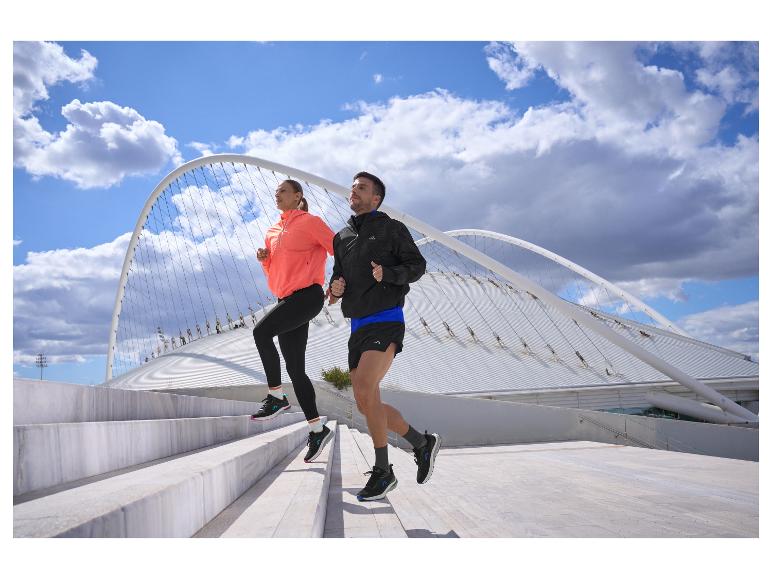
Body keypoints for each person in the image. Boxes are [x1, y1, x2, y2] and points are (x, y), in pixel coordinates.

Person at [328, 171, 441, 501]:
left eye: (361, 188)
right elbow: (339, 276)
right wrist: (335, 288)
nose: (355, 192)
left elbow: (417, 265)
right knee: (366, 404)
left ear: (376, 198)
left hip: (386, 319)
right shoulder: (342, 236)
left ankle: (383, 472)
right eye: (353, 187)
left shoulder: (391, 228)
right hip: (357, 325)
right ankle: (422, 443)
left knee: (364, 387)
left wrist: (388, 274)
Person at [251, 179, 336, 462]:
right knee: (296, 370)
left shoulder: (310, 222)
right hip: (286, 299)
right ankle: (317, 428)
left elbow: (339, 248)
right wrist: (265, 260)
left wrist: (340, 279)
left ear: (298, 196)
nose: (277, 195)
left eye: (283, 191)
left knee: (261, 334)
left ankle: (276, 397)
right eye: (275, 192)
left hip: (308, 295)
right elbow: (275, 274)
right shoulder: (272, 231)